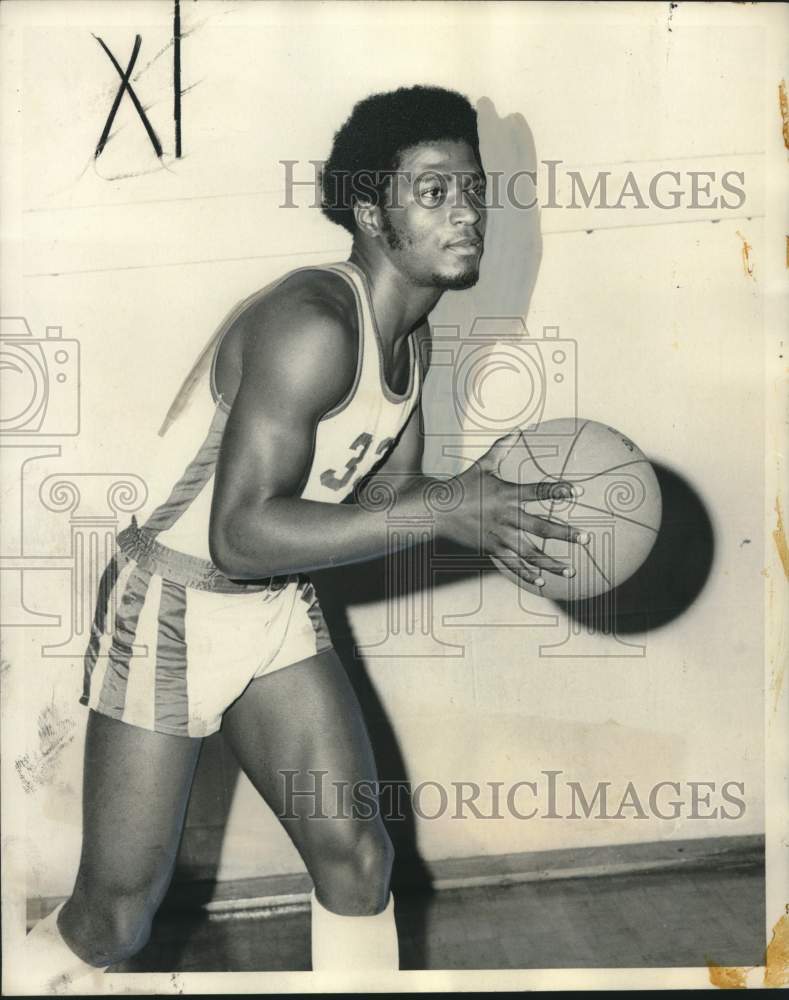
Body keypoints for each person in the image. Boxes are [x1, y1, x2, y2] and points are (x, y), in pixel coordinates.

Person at [25, 84, 586, 991]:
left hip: (273, 608)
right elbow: (240, 533)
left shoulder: (410, 340)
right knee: (114, 919)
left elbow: (389, 503)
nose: (468, 213)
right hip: (170, 605)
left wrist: (490, 511)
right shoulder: (313, 325)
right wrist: (445, 511)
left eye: (473, 190)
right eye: (434, 192)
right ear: (370, 212)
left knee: (358, 861)